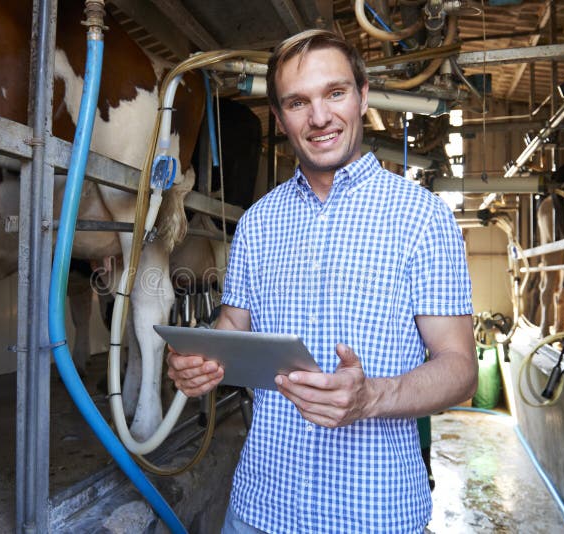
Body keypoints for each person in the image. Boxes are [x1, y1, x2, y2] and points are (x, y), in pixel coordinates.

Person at [167, 29, 477, 534]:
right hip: (259, 507)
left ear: (361, 95)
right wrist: (195, 363)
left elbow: (460, 368)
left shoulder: (421, 218)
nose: (319, 117)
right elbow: (232, 325)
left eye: (334, 93)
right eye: (297, 102)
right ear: (280, 116)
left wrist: (371, 396)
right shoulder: (259, 222)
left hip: (374, 513)